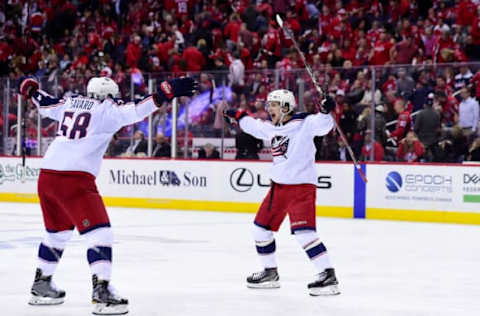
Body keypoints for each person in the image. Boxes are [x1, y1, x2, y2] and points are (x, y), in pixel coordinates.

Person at [19, 75, 197, 314]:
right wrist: (166, 91)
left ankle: (41, 285)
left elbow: (45, 101)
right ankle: (101, 293)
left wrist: (30, 91)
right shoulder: (108, 110)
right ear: (109, 95)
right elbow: (138, 109)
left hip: (47, 176)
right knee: (100, 233)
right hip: (75, 178)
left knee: (57, 234)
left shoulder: (70, 103)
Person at [224, 89, 339, 296]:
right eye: (269, 105)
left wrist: (325, 111)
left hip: (301, 188)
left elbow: (323, 126)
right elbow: (255, 127)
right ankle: (270, 273)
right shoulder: (273, 129)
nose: (269, 109)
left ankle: (328, 275)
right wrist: (239, 115)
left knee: (305, 234)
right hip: (278, 188)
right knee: (260, 229)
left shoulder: (305, 124)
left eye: (274, 105)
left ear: (286, 106)